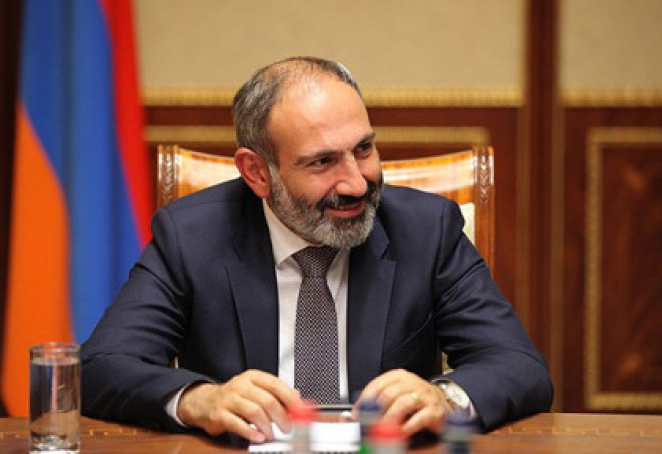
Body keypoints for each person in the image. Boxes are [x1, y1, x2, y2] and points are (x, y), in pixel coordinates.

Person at [81, 56, 553, 443]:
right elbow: (100, 369)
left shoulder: (427, 231)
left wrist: (444, 399)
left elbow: (520, 367)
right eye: (323, 162)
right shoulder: (192, 236)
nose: (356, 183)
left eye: (364, 149)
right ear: (257, 173)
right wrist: (198, 399)